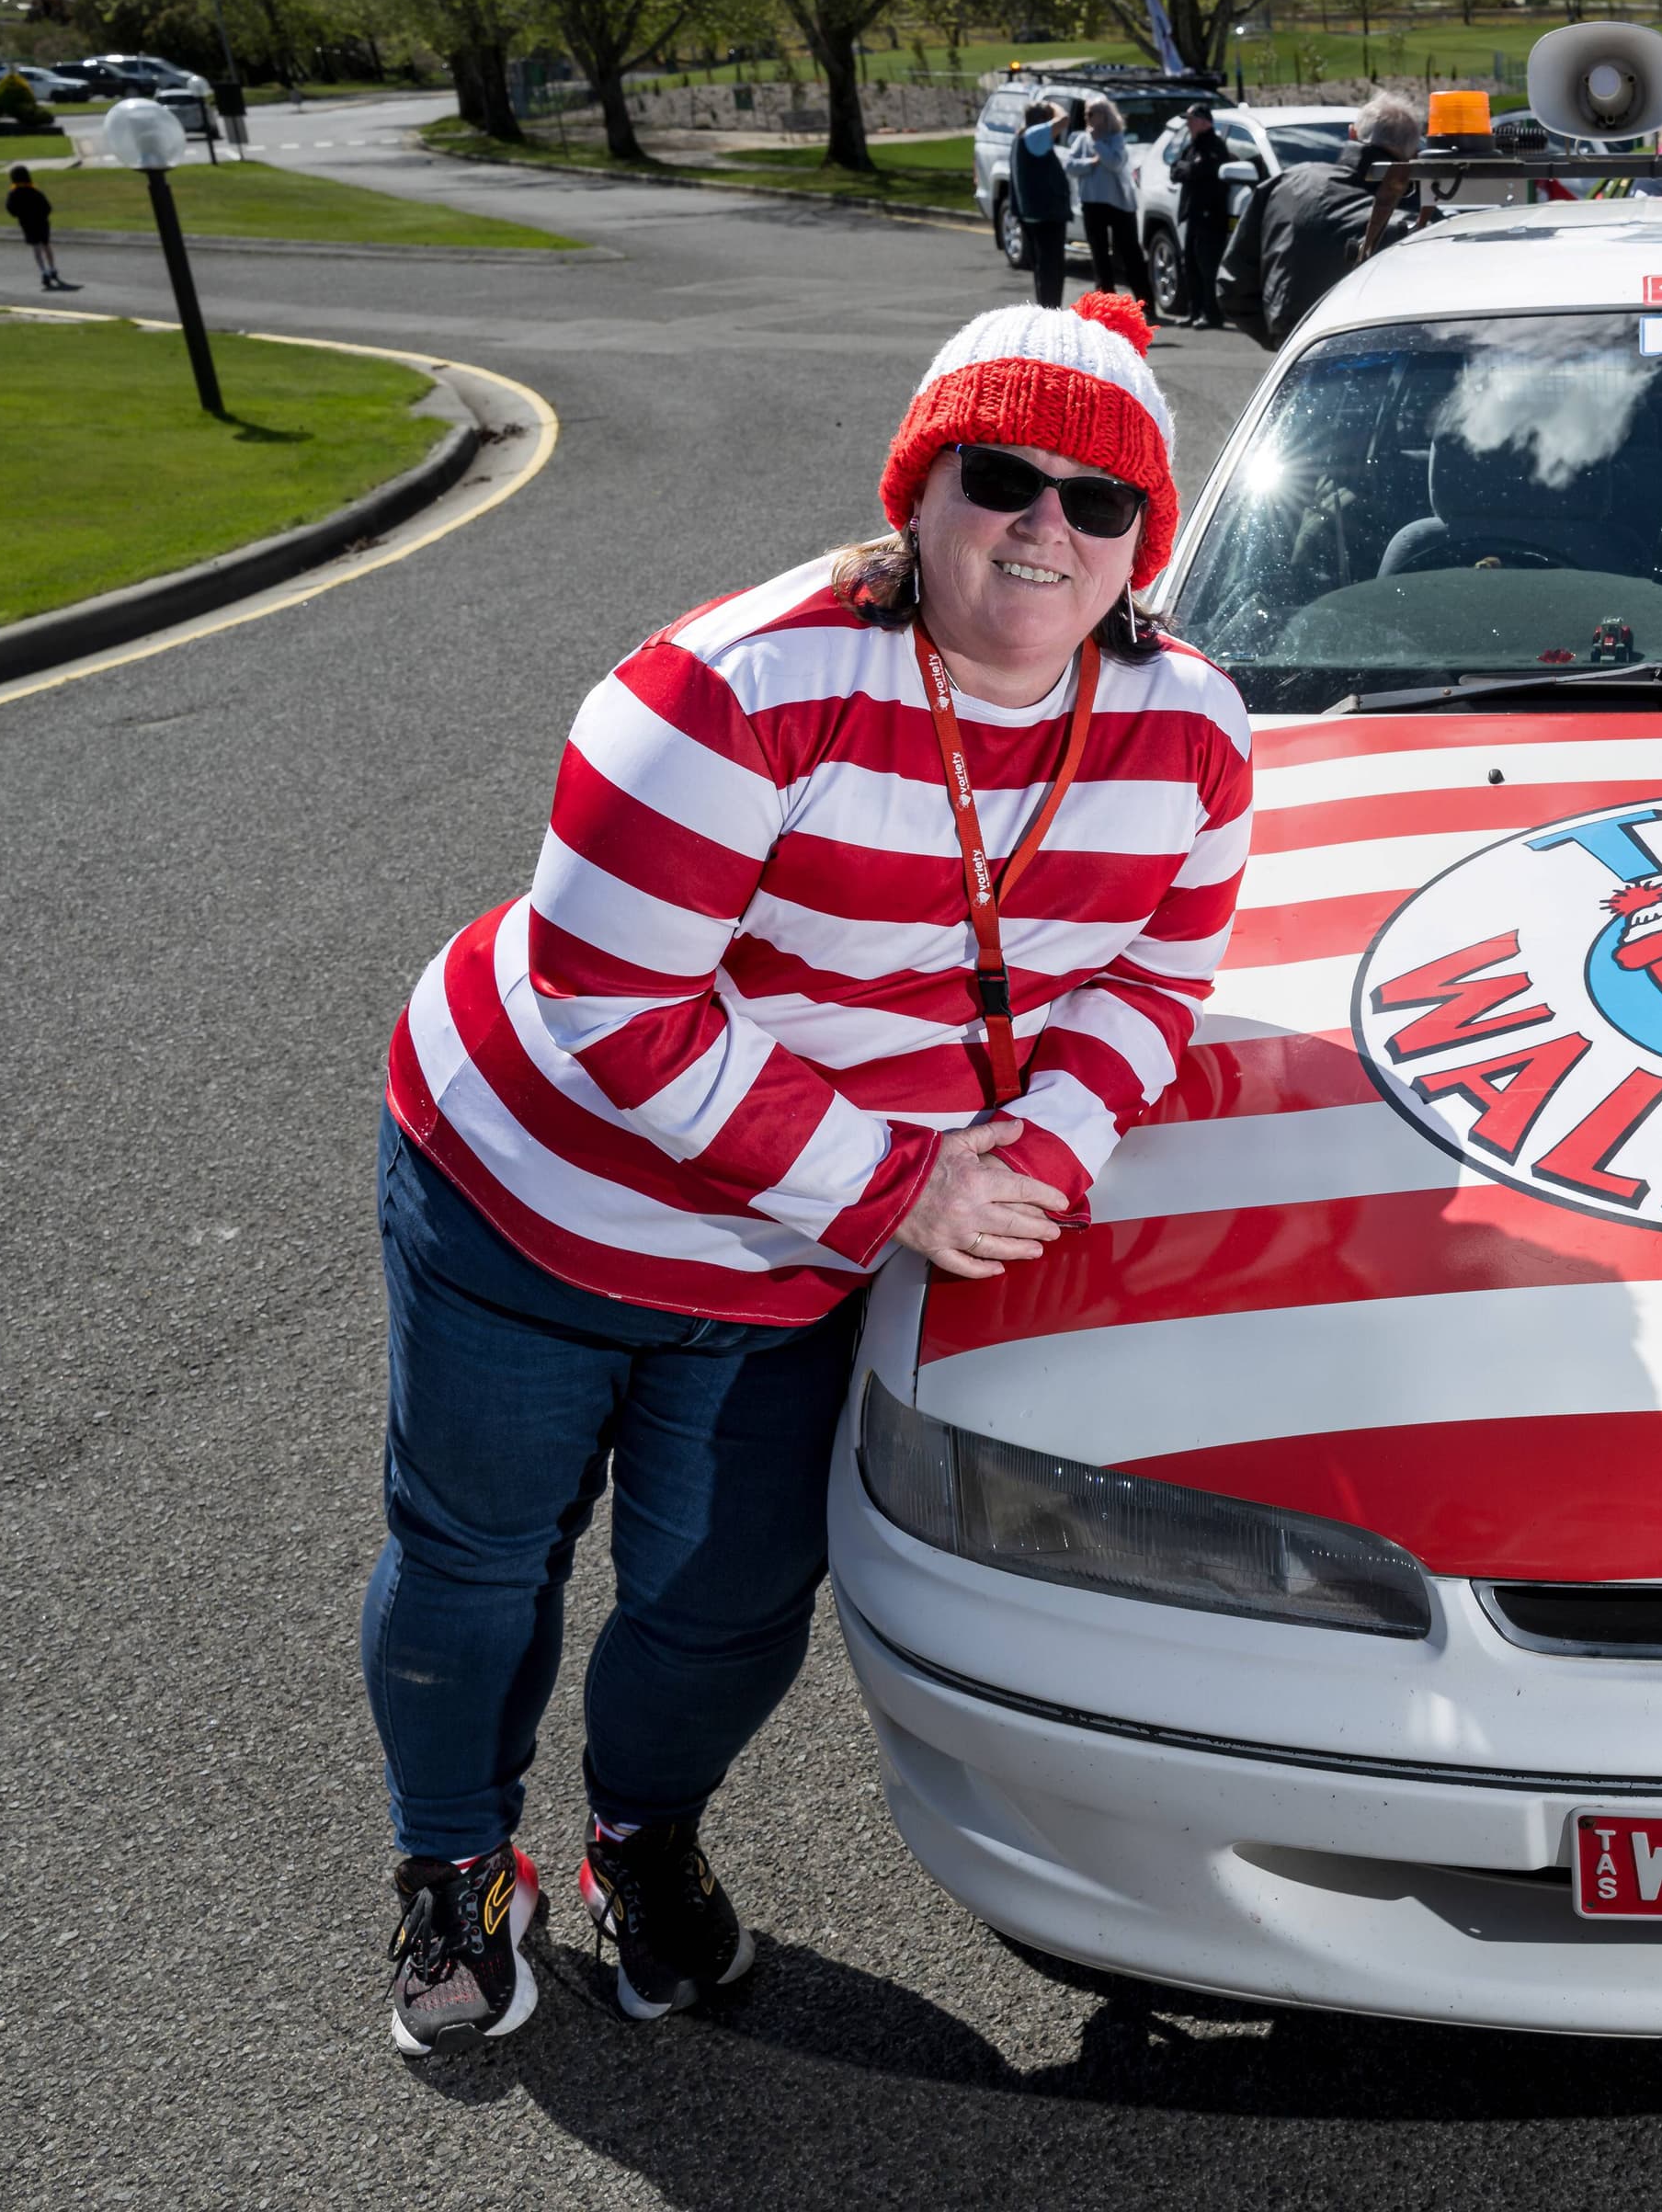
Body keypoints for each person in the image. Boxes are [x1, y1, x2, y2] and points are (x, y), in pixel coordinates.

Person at [365, 291, 1251, 2057]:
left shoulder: (1195, 731)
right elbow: (608, 1001)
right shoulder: (729, 688)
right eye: (1000, 479)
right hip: (536, 1203)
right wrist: (902, 1191)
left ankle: (642, 1838)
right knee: (477, 1560)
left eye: (1099, 500)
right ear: (915, 493)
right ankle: (453, 1863)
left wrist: (1047, 1151)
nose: (1046, 528)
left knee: (729, 1599)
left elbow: (1156, 982)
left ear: (1146, 539)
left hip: (791, 1254)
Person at [1219, 90, 1426, 348]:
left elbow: (1232, 285)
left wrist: (1285, 340)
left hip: (1297, 348)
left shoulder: (1287, 184)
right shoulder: (1422, 220)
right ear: (1414, 152)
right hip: (1391, 352)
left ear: (1353, 134)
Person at [1063, 94, 1140, 302]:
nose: (1086, 117)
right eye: (1085, 113)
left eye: (1091, 113)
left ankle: (1145, 301)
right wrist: (1090, 163)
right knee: (1099, 254)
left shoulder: (1116, 138)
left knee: (1129, 253)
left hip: (1119, 203)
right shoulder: (1082, 139)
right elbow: (1070, 165)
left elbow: (1115, 163)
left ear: (1104, 115)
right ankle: (1107, 300)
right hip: (1092, 203)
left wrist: (1098, 144)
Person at [1174, 105, 1235, 328]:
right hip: (1192, 213)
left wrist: (1189, 169)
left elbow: (1201, 170)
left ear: (1205, 122)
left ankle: (1211, 315)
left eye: (1192, 119)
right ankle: (1194, 311)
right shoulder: (1192, 146)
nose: (1188, 123)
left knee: (1207, 266)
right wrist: (1189, 168)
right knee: (1190, 264)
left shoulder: (1214, 146)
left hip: (1210, 215)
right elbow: (1176, 170)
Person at [1011, 96, 1073, 309]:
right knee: (1051, 267)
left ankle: (1046, 308)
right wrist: (1052, 105)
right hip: (1046, 213)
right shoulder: (1035, 134)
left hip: (1034, 213)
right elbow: (1064, 120)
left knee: (1043, 266)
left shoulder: (1022, 136)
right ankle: (1050, 310)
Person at [4, 163, 73, 291]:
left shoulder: (13, 194)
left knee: (36, 248)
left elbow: (11, 210)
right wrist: (42, 215)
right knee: (46, 245)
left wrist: (21, 214)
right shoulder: (35, 192)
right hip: (41, 222)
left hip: (27, 224)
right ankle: (52, 268)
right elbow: (47, 207)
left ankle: (43, 271)